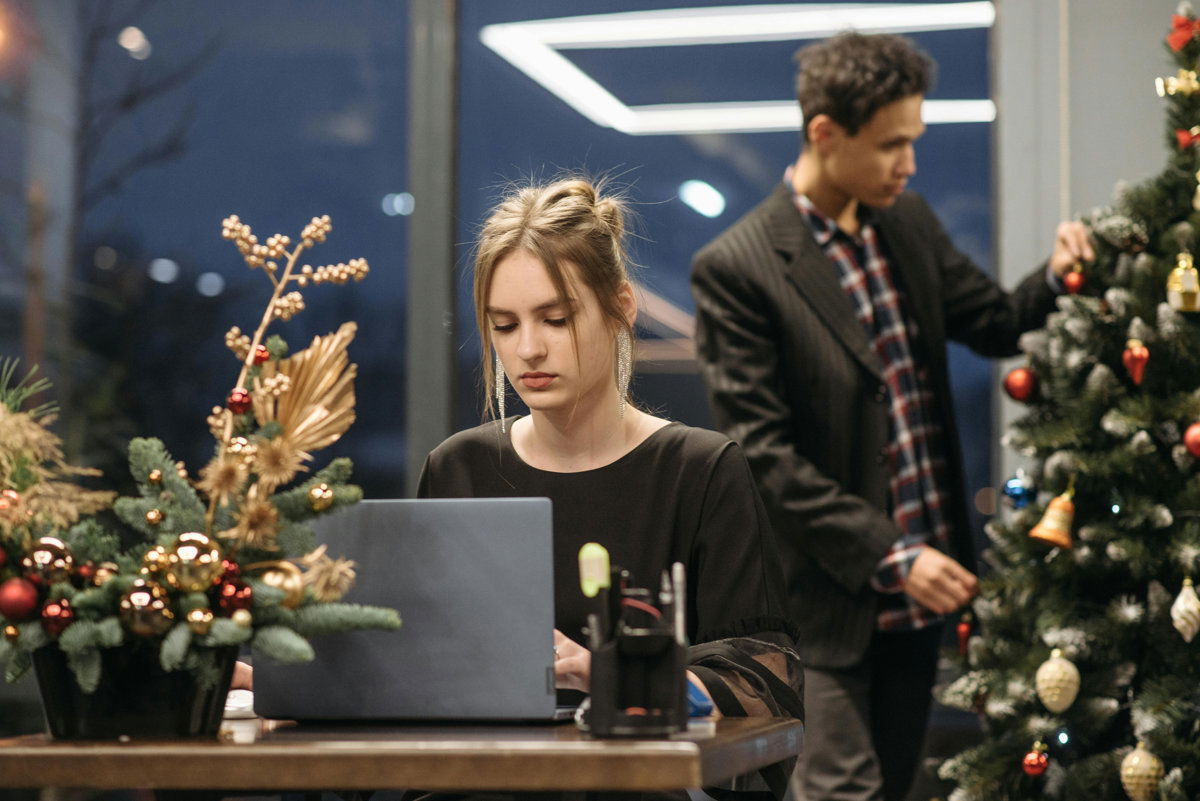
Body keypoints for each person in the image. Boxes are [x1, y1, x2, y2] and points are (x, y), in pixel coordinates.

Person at [689, 32, 1093, 801]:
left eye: (913, 140)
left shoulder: (905, 222)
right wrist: (893, 553)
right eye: (890, 145)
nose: (908, 163)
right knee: (844, 791)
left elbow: (996, 320)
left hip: (917, 601)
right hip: (823, 608)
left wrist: (1057, 275)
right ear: (824, 134)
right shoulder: (738, 268)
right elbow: (764, 458)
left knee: (899, 786)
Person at [417, 177, 804, 798]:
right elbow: (414, 665)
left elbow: (763, 680)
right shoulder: (458, 469)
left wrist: (614, 677)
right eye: (505, 326)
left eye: (556, 319)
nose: (528, 349)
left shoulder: (700, 471)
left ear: (621, 307)